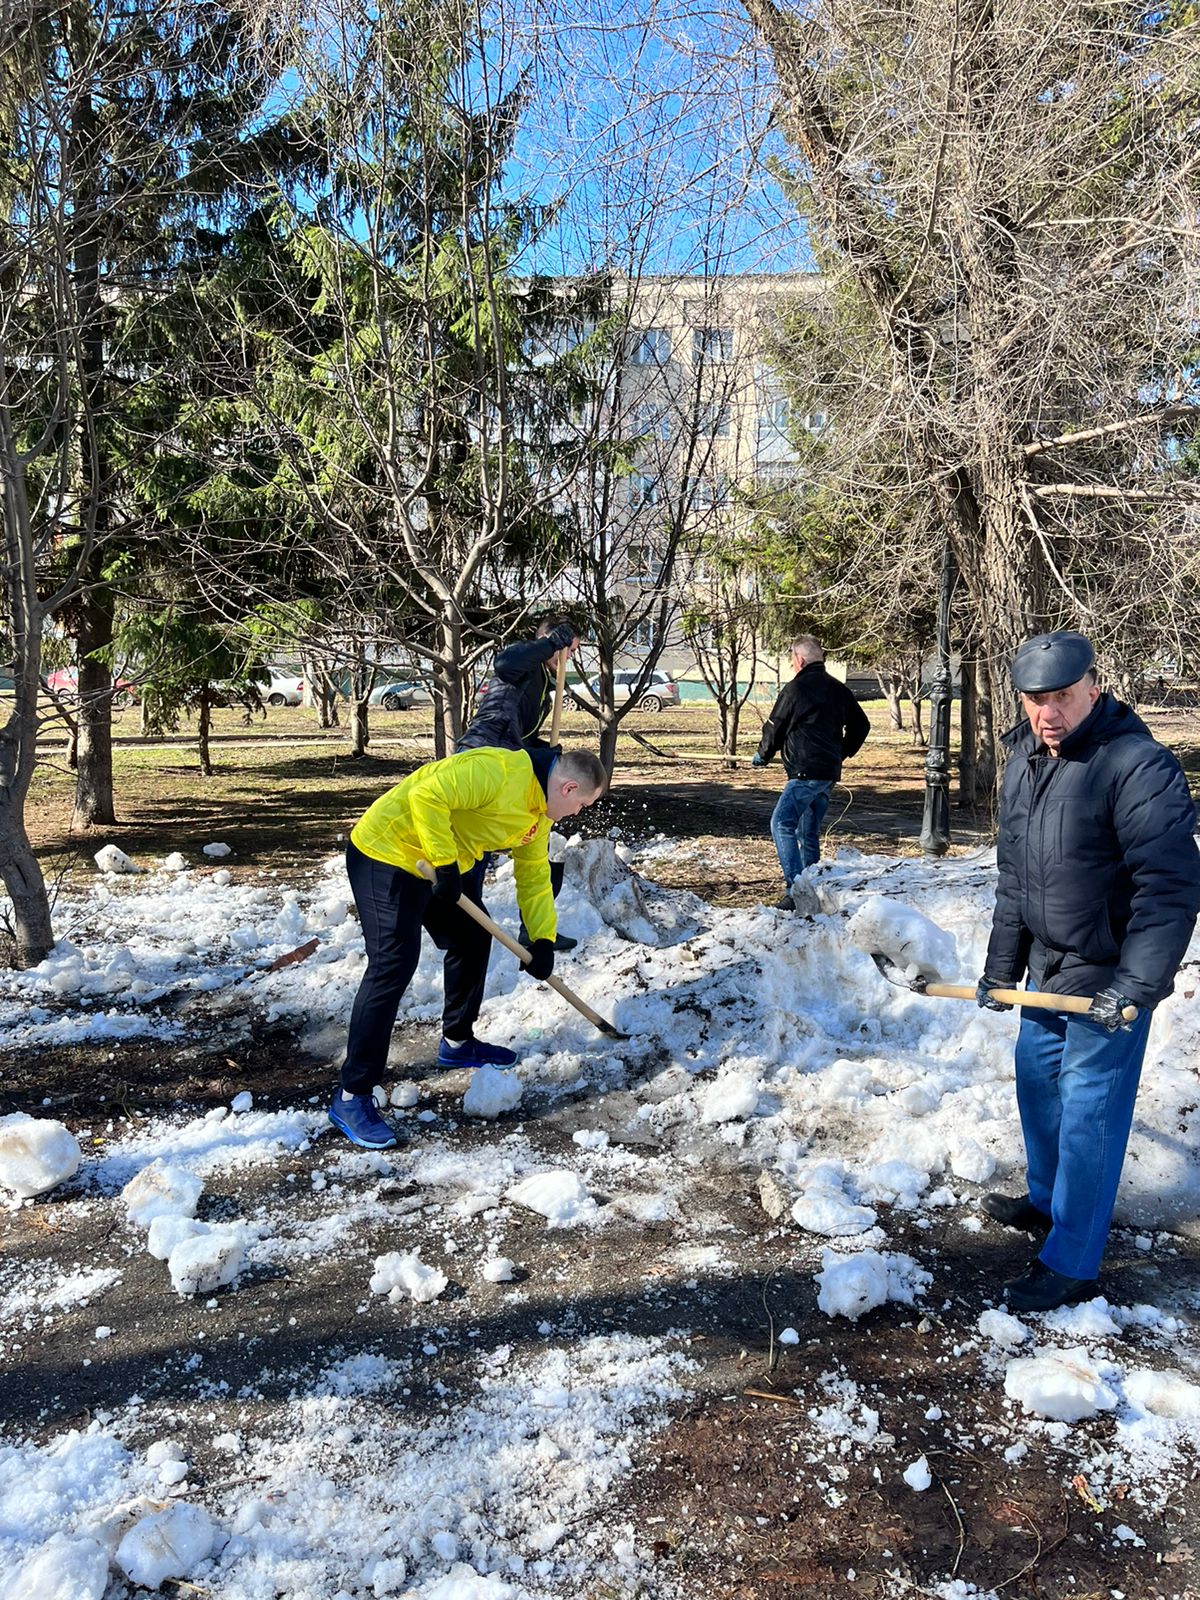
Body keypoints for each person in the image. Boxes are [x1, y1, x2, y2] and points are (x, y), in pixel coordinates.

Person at [977, 630, 1200, 1312]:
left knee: (1088, 1114)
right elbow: (1014, 877)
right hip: (1046, 968)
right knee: (1037, 1087)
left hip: (1109, 976)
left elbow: (1169, 886)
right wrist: (1000, 969)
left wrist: (1135, 989)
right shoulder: (1024, 759)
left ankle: (1073, 1262)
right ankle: (1047, 1203)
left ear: (1092, 691)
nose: (1048, 713)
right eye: (1036, 699)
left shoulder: (1137, 766)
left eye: (1063, 697)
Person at [330, 745, 607, 1150]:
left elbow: (533, 875)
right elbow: (426, 795)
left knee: (473, 937)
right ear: (567, 788)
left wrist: (542, 938)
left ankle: (457, 1043)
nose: (579, 813)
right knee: (395, 961)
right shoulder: (496, 772)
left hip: (439, 865)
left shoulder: (538, 813)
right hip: (387, 852)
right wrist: (444, 863)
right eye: (582, 804)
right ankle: (352, 1095)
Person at [458, 615, 582, 950]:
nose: (569, 657)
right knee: (473, 845)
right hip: (483, 758)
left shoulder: (545, 680)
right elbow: (504, 662)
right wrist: (550, 644)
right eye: (568, 649)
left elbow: (522, 733)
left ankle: (536, 930)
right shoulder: (526, 664)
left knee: (537, 842)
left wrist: (543, 752)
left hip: (510, 763)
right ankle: (463, 914)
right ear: (551, 639)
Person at [752, 635, 871, 908]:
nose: (793, 665)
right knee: (807, 832)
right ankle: (814, 887)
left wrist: (763, 753)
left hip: (805, 774)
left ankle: (796, 889)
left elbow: (775, 727)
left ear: (799, 659)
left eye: (792, 660)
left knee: (781, 824)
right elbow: (861, 726)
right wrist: (839, 753)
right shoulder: (838, 689)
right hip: (827, 773)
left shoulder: (795, 690)